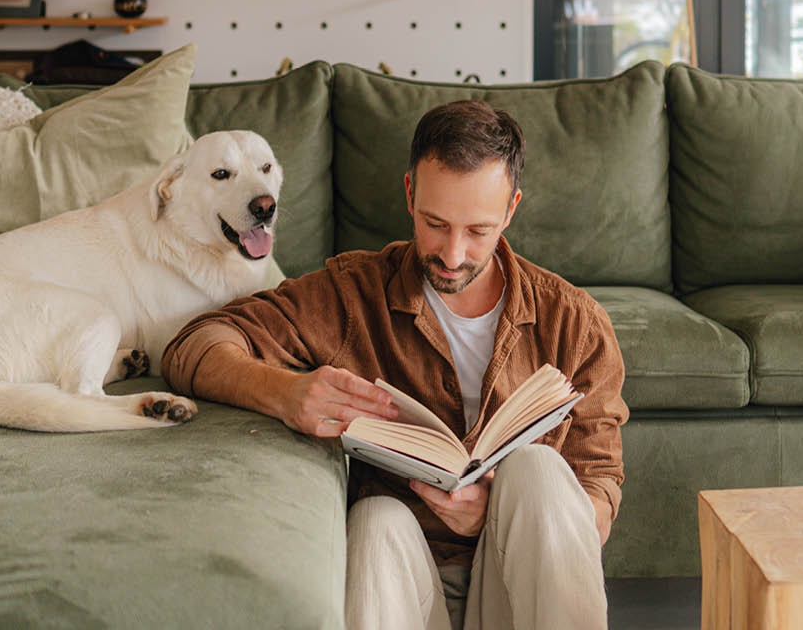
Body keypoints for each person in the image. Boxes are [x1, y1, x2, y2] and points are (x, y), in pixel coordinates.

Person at [162, 100, 629, 630]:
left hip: (523, 584)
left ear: (511, 210)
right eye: (435, 223)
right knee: (376, 520)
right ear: (410, 194)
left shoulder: (574, 323)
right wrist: (286, 393)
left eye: (477, 231)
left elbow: (599, 490)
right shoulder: (351, 294)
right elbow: (194, 345)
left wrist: (497, 515)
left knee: (540, 470)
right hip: (403, 580)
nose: (453, 254)